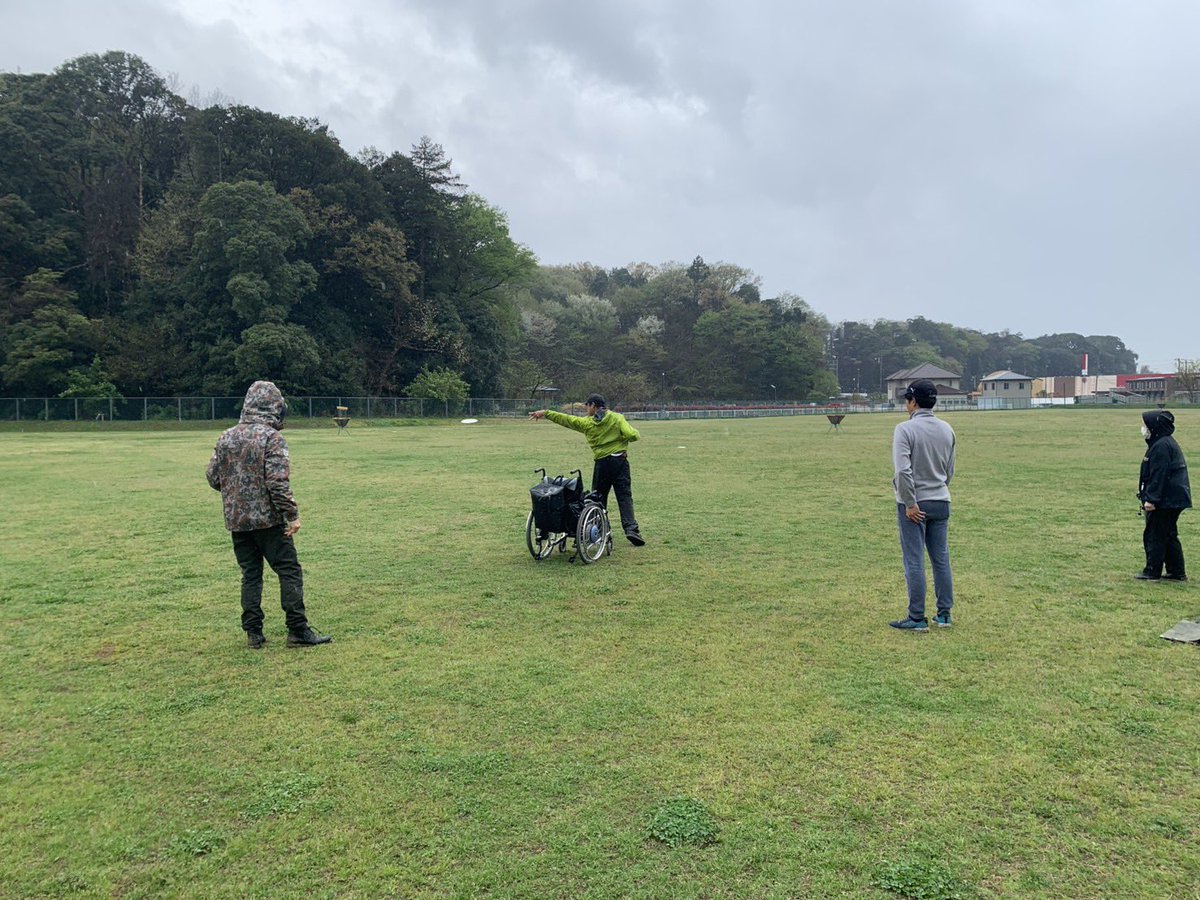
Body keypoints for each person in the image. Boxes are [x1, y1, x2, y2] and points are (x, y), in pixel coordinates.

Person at [206, 380, 331, 648]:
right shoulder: (271, 438)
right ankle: (297, 630)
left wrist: (237, 495)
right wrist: (292, 514)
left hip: (237, 521)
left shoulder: (226, 436)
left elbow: (213, 477)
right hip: (269, 521)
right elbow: (277, 482)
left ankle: (254, 634)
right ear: (276, 407)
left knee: (251, 574)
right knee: (288, 570)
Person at [529, 393, 646, 545]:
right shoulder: (617, 418)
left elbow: (566, 420)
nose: (586, 409)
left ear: (593, 406)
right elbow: (633, 435)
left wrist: (546, 413)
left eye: (587, 406)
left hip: (602, 463)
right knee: (624, 496)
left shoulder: (587, 423)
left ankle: (598, 528)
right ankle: (631, 529)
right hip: (620, 461)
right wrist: (622, 438)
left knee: (598, 497)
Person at [889, 379, 956, 632]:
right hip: (941, 499)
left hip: (915, 504)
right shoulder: (947, 429)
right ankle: (944, 614)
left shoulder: (905, 430)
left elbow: (903, 472)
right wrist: (938, 487)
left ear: (913, 401)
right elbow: (950, 470)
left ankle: (916, 617)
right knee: (941, 559)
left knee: (914, 560)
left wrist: (909, 503)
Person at [1135, 409, 1190, 582]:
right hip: (1173, 498)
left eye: (1145, 424)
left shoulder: (1161, 446)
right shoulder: (1163, 443)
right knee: (1168, 534)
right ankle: (1176, 571)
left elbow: (1159, 475)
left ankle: (1152, 570)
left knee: (1156, 534)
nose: (1143, 428)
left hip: (1167, 500)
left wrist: (1151, 499)